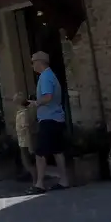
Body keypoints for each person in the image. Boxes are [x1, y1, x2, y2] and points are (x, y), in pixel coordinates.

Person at [28, 51, 71, 193]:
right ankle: (64, 181)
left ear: (40, 62)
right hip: (56, 118)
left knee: (40, 152)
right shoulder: (51, 75)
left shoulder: (45, 77)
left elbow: (47, 97)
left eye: (33, 62)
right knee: (57, 151)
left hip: (49, 119)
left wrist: (35, 103)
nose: (32, 65)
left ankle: (39, 184)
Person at [12, 92, 37, 184]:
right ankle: (35, 180)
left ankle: (35, 181)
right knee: (27, 162)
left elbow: (27, 129)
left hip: (25, 141)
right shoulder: (21, 112)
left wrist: (30, 145)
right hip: (22, 140)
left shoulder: (23, 114)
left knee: (28, 162)